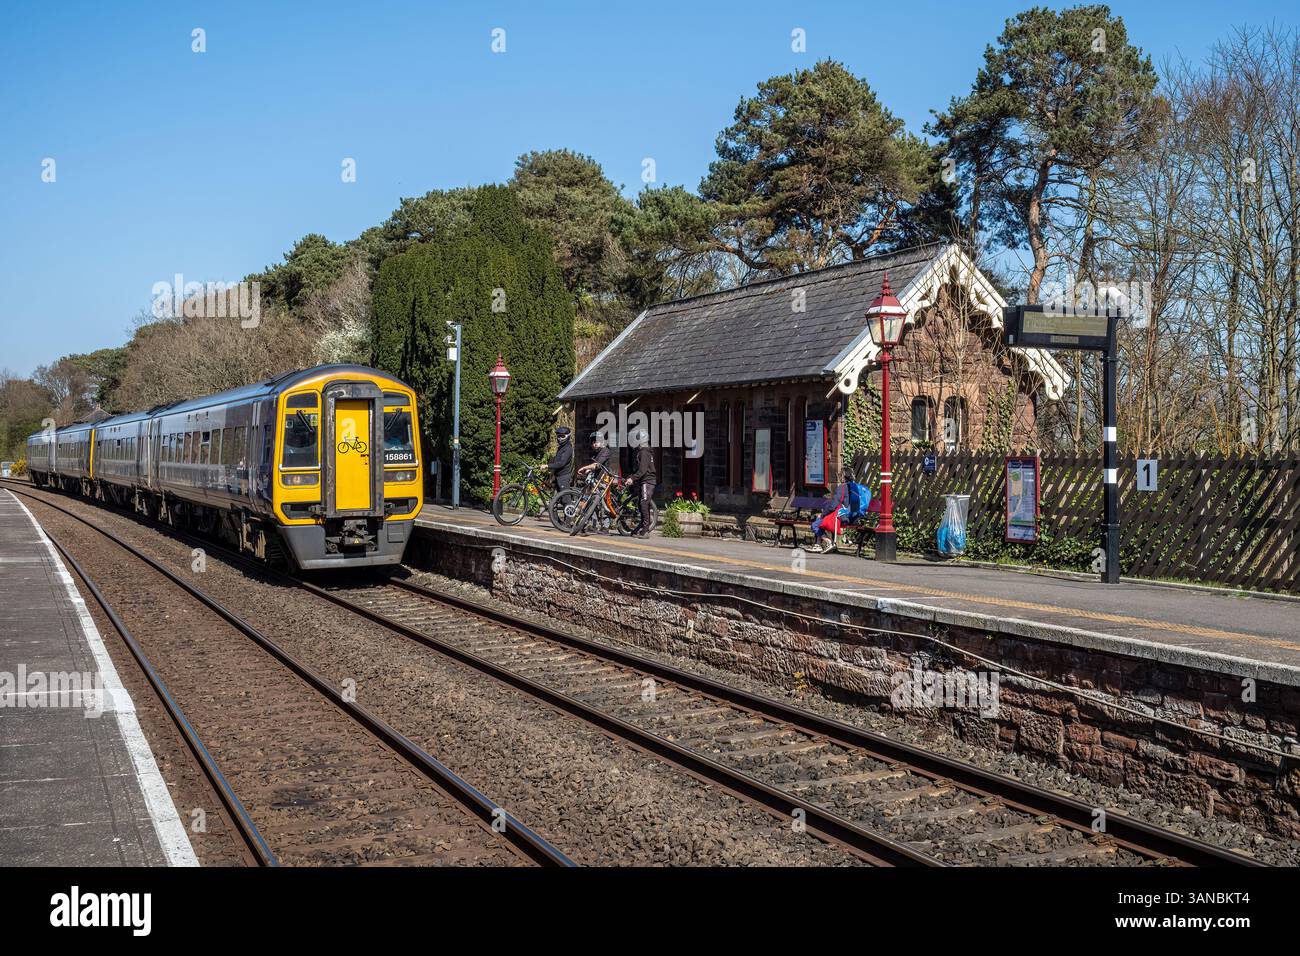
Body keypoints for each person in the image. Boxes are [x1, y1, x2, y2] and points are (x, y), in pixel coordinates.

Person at [622, 428, 657, 537]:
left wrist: (632, 478)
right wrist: (632, 476)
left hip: (647, 481)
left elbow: (642, 470)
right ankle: (640, 528)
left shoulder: (644, 452)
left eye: (636, 438)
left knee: (644, 503)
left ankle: (645, 530)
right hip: (643, 481)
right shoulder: (642, 451)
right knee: (640, 504)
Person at [548, 426, 574, 492]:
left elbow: (561, 463)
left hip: (563, 477)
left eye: (562, 436)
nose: (560, 438)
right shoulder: (562, 447)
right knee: (558, 499)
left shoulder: (567, 448)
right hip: (559, 476)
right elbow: (557, 460)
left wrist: (548, 465)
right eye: (559, 436)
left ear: (568, 436)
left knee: (566, 501)